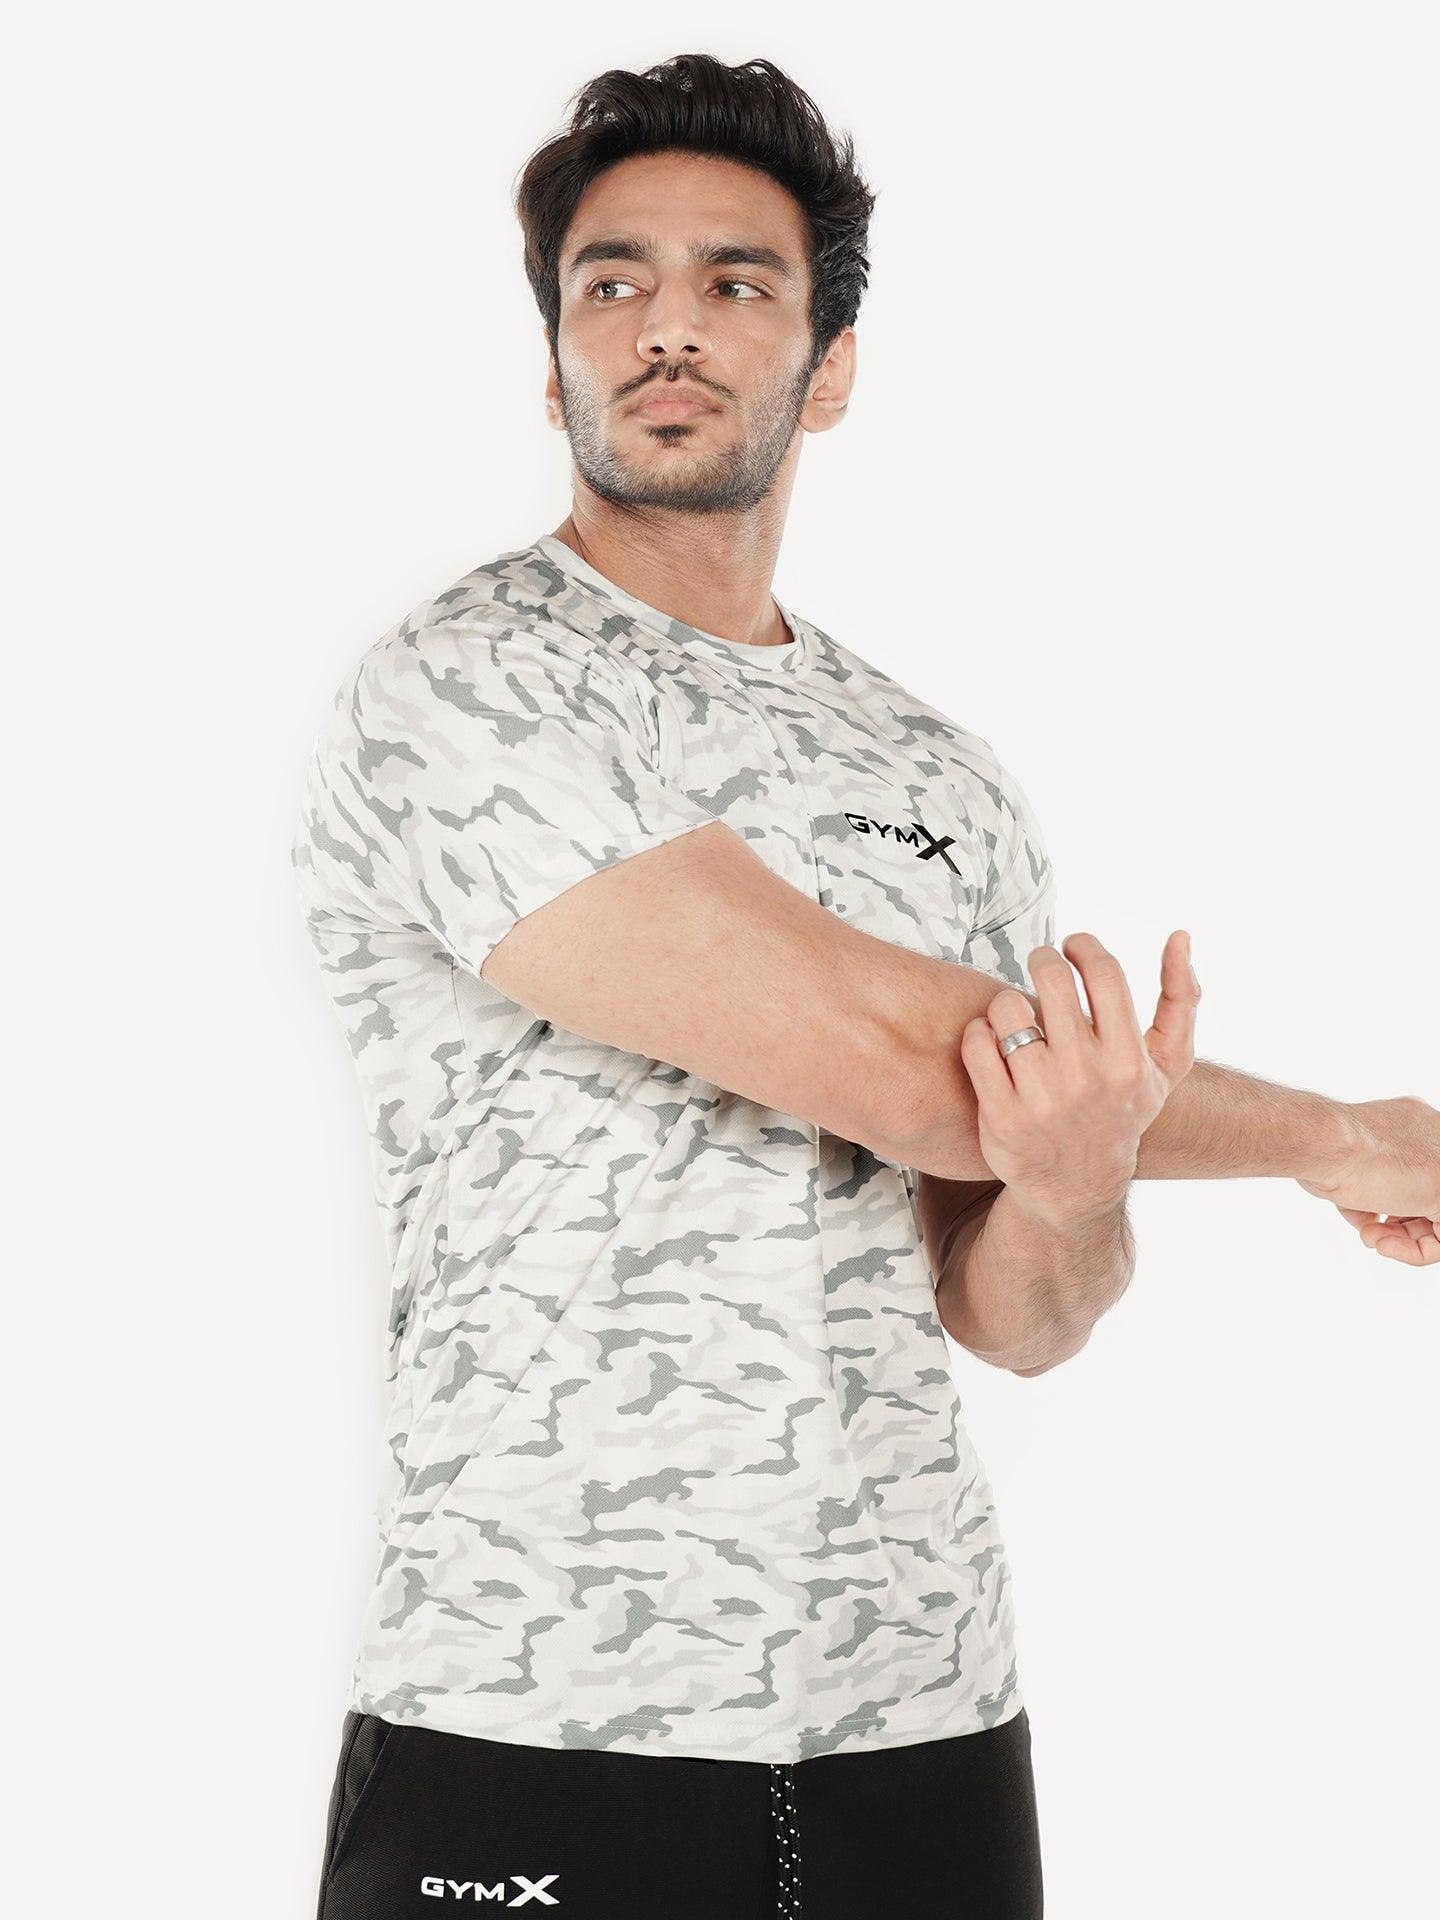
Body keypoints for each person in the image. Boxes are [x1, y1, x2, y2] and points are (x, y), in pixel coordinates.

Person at [292, 52, 1440, 1920]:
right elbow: (911, 1069)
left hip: (924, 1714)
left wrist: (1075, 1182)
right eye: (610, 282)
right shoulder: (469, 685)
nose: (667, 324)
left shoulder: (940, 776)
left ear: (827, 367)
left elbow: (1015, 1307)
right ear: (555, 362)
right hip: (540, 1704)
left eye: (736, 282)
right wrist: (1348, 1135)